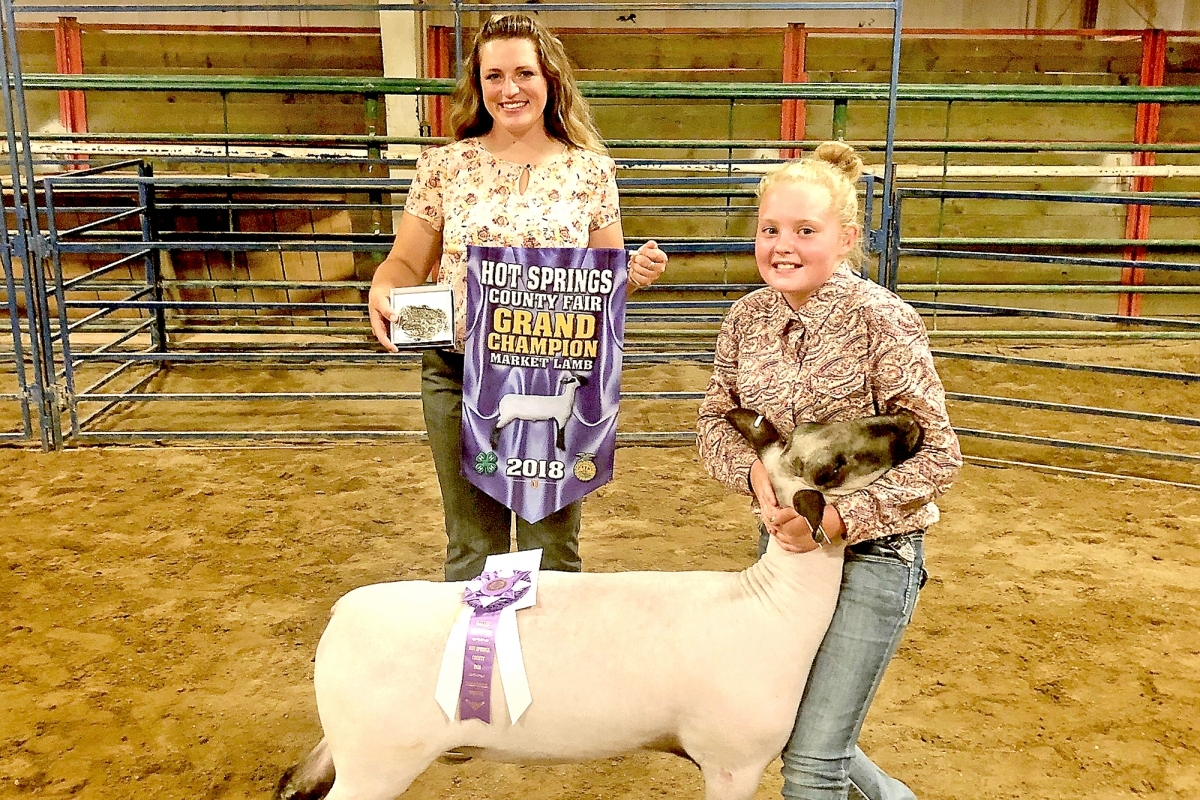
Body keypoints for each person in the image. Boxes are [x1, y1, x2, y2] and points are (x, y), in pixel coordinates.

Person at [696, 142, 962, 800]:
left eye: (805, 231)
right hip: (785, 554)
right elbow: (717, 419)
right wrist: (754, 473)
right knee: (796, 731)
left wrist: (844, 516)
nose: (783, 246)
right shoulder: (747, 318)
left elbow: (938, 451)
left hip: (877, 555)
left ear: (845, 238)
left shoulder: (883, 321)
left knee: (814, 761)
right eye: (770, 230)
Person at [367, 13, 668, 582]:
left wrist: (636, 274)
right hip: (458, 371)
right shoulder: (444, 166)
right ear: (478, 86)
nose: (510, 89)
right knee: (472, 547)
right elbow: (407, 261)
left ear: (550, 79)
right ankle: (479, 670)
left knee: (551, 552)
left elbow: (603, 280)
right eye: (494, 76)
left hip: (555, 373)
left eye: (524, 73)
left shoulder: (591, 172)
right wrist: (383, 285)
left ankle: (547, 669)